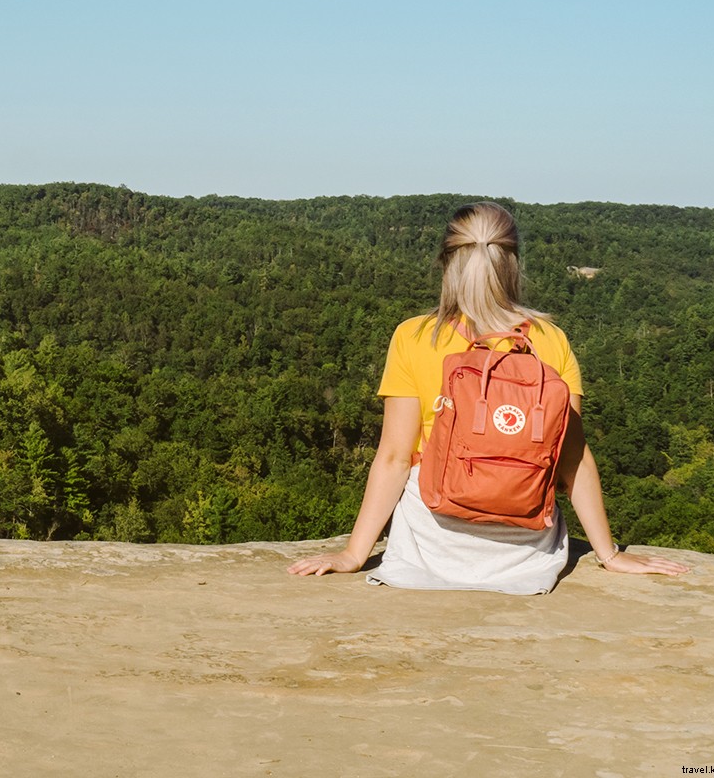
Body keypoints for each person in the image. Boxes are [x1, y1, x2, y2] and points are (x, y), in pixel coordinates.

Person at [288, 202, 689, 592]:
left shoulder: (414, 335)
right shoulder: (550, 340)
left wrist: (354, 554)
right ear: (512, 263)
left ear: (447, 262)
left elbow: (394, 458)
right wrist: (609, 553)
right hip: (525, 554)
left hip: (431, 547)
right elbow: (572, 457)